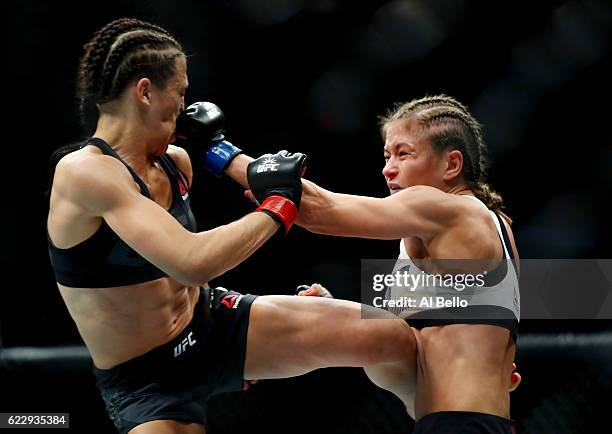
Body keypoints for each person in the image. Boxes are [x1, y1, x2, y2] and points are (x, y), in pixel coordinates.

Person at [46, 18, 418, 434]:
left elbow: (302, 199)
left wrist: (229, 157)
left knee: (391, 337)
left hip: (211, 326)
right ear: (145, 92)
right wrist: (277, 206)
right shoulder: (84, 173)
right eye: (181, 92)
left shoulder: (177, 162)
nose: (186, 106)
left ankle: (434, 422)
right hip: (146, 381)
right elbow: (192, 262)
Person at [224, 95, 520, 433]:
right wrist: (329, 313)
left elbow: (322, 211)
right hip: (475, 422)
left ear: (451, 165)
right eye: (386, 155)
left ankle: (224, 338)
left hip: (457, 424)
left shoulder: (447, 210)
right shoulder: (492, 229)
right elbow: (405, 344)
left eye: (404, 154)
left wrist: (219, 153)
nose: (388, 168)